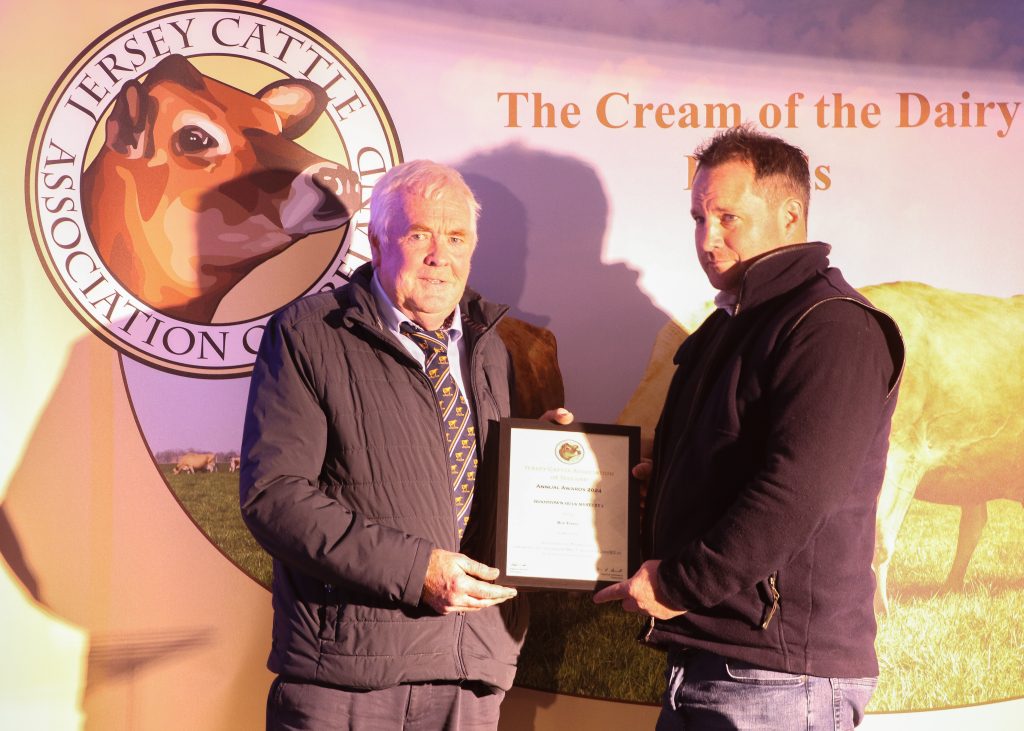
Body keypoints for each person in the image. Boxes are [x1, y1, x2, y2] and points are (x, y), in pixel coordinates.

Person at [240, 159, 570, 730]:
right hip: (346, 673)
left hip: (470, 672)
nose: (439, 255)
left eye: (456, 237)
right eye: (419, 234)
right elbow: (274, 496)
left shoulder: (491, 347)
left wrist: (545, 462)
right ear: (376, 239)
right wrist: (416, 569)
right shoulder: (310, 331)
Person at [594, 125, 905, 730]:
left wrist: (680, 583)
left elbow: (796, 491)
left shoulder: (831, 327)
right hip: (714, 659)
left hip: (779, 679)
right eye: (697, 219)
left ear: (792, 213)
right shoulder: (725, 330)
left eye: (728, 218)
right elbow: (729, 463)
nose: (708, 240)